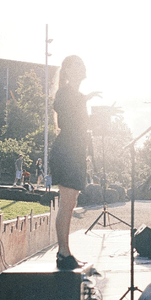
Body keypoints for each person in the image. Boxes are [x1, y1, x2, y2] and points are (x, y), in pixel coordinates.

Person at [49, 55, 100, 270]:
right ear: (67, 71)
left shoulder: (78, 95)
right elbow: (66, 117)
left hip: (76, 152)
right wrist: (85, 99)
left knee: (70, 204)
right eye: (75, 65)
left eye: (82, 64)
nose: (81, 67)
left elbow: (82, 125)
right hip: (66, 152)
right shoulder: (64, 92)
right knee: (66, 203)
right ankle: (63, 253)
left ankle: (65, 252)